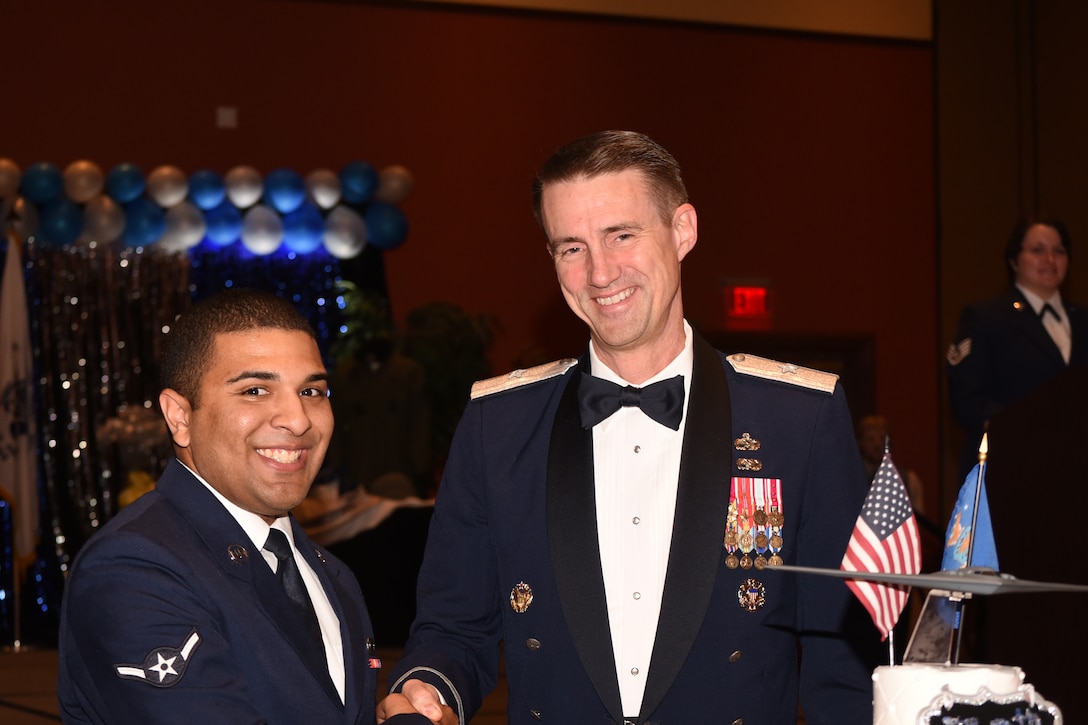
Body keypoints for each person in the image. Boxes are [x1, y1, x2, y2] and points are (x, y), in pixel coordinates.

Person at [379, 131, 881, 725]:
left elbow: (843, 665)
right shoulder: (498, 426)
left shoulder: (799, 419)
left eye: (621, 235)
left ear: (682, 230)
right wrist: (428, 689)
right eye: (572, 247)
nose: (599, 272)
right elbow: (453, 627)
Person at [56, 288, 434, 725]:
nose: (298, 419)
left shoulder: (331, 574)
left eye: (312, 391)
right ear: (180, 416)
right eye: (255, 390)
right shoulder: (133, 568)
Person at [946, 218, 1087, 475]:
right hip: (1010, 468)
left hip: (1076, 470)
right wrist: (1031, 428)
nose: (1050, 259)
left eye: (1059, 251)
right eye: (1038, 250)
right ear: (1014, 260)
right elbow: (968, 400)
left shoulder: (1083, 321)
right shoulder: (986, 318)